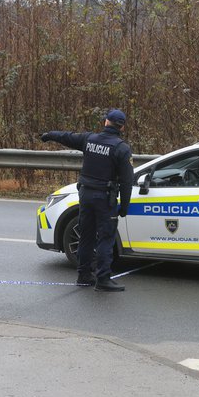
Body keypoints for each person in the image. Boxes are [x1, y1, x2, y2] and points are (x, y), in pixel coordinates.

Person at [41, 109, 133, 292]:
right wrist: (125, 206)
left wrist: (49, 135)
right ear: (121, 127)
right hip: (105, 199)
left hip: (85, 195)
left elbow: (67, 137)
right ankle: (103, 279)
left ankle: (83, 275)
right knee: (106, 237)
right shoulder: (121, 148)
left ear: (106, 122)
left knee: (86, 236)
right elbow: (127, 181)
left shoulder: (89, 139)